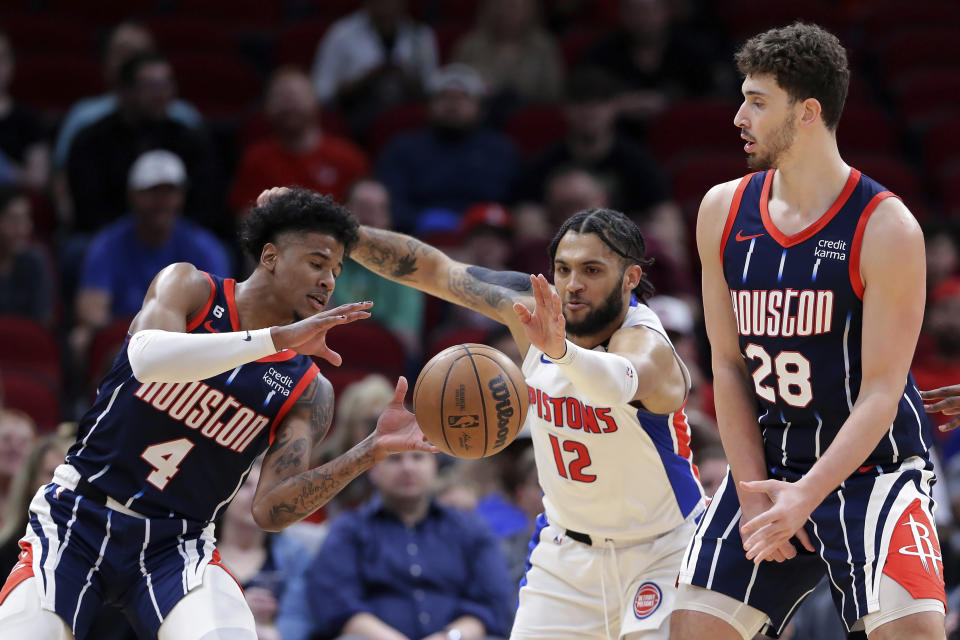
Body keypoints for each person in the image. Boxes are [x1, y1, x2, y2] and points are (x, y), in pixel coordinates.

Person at [255, 184, 703, 637]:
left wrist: (561, 353)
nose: (573, 285)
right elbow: (433, 270)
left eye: (592, 270)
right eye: (563, 270)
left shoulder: (647, 345)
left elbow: (616, 380)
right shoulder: (533, 313)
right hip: (567, 552)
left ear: (629, 278)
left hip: (660, 551)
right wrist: (333, 228)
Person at [0, 188, 436, 640]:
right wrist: (274, 339)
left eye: (336, 270)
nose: (328, 281)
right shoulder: (189, 287)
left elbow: (270, 510)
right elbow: (148, 358)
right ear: (270, 256)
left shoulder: (310, 390)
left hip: (176, 544)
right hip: (79, 517)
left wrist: (371, 450)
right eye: (316, 262)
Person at [672, 23, 945, 640]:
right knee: (695, 629)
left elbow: (881, 391)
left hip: (872, 471)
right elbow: (728, 365)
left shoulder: (887, 227)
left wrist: (809, 495)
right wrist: (750, 494)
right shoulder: (721, 210)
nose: (739, 116)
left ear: (808, 112)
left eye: (758, 101)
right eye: (742, 98)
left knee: (915, 633)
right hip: (769, 462)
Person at [286, 450, 515, 640]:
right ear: (373, 470)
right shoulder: (349, 530)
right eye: (395, 459)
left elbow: (494, 600)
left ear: (433, 465)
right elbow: (335, 603)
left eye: (418, 457)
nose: (408, 467)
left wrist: (450, 636)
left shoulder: (469, 528)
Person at [71, 150, 230, 367]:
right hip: (123, 343)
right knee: (80, 339)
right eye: (152, 193)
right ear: (132, 195)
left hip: (184, 342)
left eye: (169, 192)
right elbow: (91, 311)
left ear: (181, 196)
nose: (161, 202)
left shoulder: (204, 247)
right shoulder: (107, 244)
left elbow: (219, 313)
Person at [66, 51, 221, 232]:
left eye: (166, 84)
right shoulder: (91, 141)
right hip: (110, 238)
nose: (160, 94)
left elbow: (206, 205)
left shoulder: (190, 140)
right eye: (150, 85)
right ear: (124, 91)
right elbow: (89, 210)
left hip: (177, 238)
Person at [375, 63, 518, 232]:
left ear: (481, 107)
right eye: (443, 97)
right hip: (417, 239)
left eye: (462, 98)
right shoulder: (403, 149)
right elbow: (391, 202)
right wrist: (417, 220)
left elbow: (515, 203)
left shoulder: (500, 151)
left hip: (486, 238)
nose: (452, 105)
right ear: (428, 105)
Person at [229, 68, 370, 213]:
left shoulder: (349, 158)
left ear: (315, 100)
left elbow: (363, 215)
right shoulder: (255, 159)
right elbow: (245, 218)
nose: (290, 104)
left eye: (296, 95)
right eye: (281, 97)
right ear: (267, 107)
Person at [0, 31, 49, 190]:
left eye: (1, 58)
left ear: (11, 65)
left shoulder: (27, 119)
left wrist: (6, 171)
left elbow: (38, 179)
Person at [0, 186, 55, 326]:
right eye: (14, 220)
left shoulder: (36, 261)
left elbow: (43, 322)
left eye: (26, 218)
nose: (23, 229)